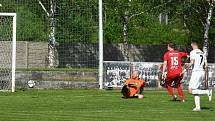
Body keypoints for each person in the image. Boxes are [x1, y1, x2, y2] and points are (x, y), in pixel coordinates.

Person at [188, 41, 212, 111]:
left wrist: (185, 67)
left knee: (190, 90)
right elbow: (206, 65)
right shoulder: (202, 53)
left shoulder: (192, 52)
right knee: (196, 90)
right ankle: (198, 107)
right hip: (202, 72)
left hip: (196, 72)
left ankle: (207, 92)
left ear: (192, 45)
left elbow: (192, 62)